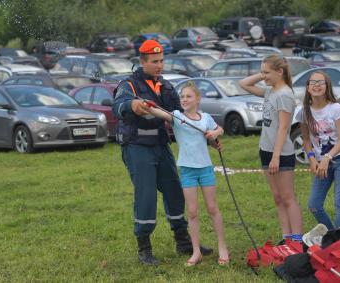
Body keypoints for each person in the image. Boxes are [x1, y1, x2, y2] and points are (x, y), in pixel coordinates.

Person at [112, 39, 213, 266]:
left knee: (175, 192)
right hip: (137, 148)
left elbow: (182, 117)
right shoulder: (129, 85)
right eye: (155, 61)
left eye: (162, 61)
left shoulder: (165, 86)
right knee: (146, 196)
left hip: (161, 146)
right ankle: (144, 248)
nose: (160, 65)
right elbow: (118, 107)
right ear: (143, 61)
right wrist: (133, 106)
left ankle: (183, 242)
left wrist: (208, 134)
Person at [147, 81, 229, 266]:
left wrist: (214, 134)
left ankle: (223, 248)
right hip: (187, 170)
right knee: (192, 212)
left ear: (197, 99)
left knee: (212, 208)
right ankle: (196, 251)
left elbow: (220, 129)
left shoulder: (205, 117)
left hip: (206, 169)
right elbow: (158, 112)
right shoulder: (176, 116)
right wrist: (148, 106)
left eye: (188, 96)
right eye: (182, 96)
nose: (184, 99)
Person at [239, 54, 303, 243]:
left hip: (281, 153)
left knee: (288, 197)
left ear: (280, 72)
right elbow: (244, 84)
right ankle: (286, 238)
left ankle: (298, 241)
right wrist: (263, 75)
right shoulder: (271, 91)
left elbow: (284, 128)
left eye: (267, 72)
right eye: (262, 72)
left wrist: (276, 157)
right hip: (265, 150)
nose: (264, 76)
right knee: (277, 198)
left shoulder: (284, 94)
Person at [296, 71, 340, 230]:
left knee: (339, 204)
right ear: (307, 88)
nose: (316, 85)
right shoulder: (303, 111)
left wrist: (327, 158)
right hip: (321, 162)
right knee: (314, 205)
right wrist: (312, 159)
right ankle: (333, 237)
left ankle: (337, 245)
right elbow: (306, 140)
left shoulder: (335, 108)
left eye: (320, 82)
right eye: (313, 82)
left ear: (327, 86)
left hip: (336, 158)